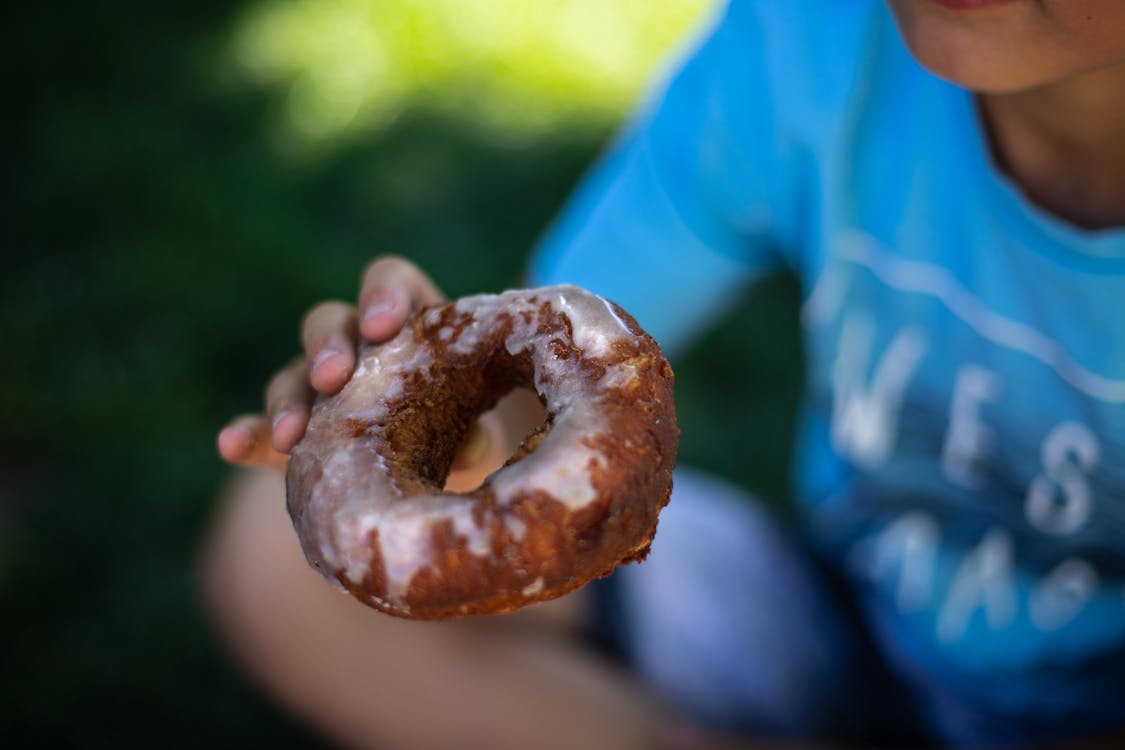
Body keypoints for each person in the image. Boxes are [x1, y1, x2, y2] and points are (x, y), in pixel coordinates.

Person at [204, 0, 1125, 747]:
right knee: (279, 549)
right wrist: (464, 439)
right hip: (850, 618)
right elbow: (560, 358)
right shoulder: (808, 42)